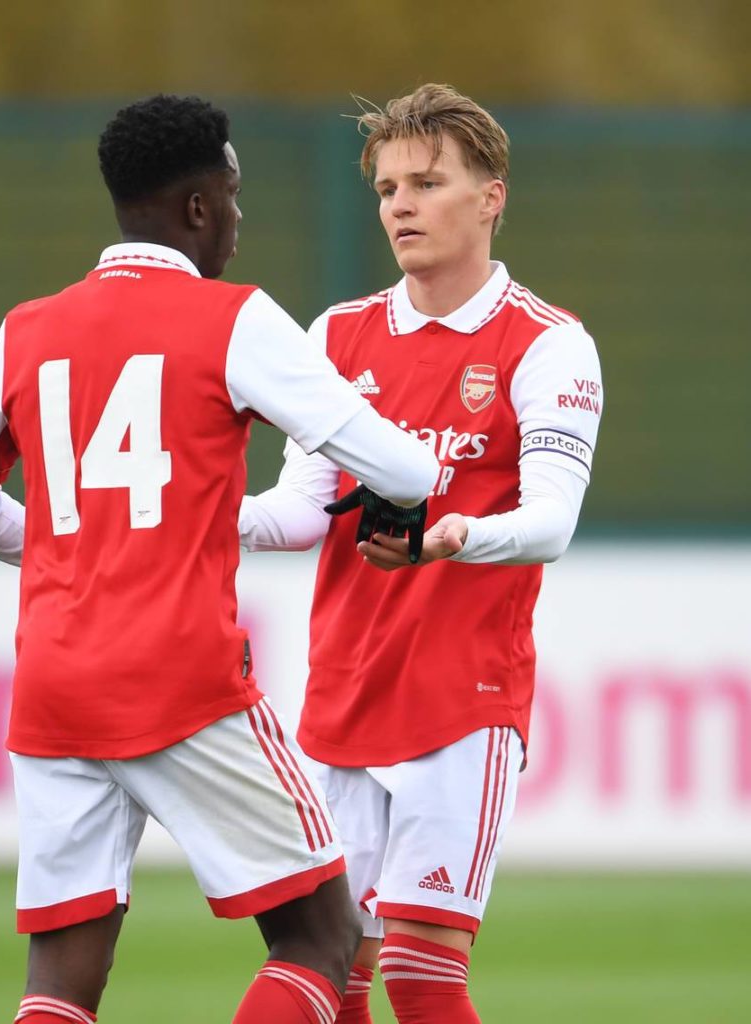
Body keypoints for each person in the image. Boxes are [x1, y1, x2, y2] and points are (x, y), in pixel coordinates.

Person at [0, 94, 440, 1024]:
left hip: (52, 689)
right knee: (320, 937)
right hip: (179, 679)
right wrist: (419, 480)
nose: (239, 225)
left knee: (59, 981)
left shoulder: (27, 328)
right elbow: (398, 462)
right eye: (233, 200)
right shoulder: (232, 318)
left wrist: (56, 548)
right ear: (199, 206)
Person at [239, 83, 603, 1024]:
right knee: (329, 969)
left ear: (491, 197)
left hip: (461, 698)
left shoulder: (547, 344)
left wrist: (454, 536)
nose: (399, 204)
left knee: (421, 974)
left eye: (426, 182)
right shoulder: (336, 335)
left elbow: (552, 522)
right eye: (386, 187)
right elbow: (297, 513)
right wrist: (198, 517)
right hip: (343, 693)